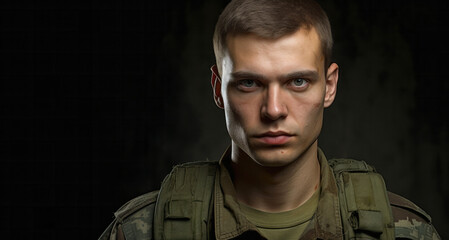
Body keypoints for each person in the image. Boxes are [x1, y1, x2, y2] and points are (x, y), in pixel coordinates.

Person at [99, 0, 440, 239]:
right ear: (218, 90)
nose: (273, 109)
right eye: (249, 83)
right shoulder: (140, 231)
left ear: (329, 86)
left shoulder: (404, 231)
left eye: (297, 81)